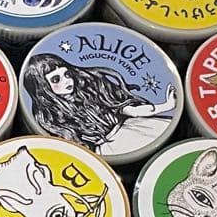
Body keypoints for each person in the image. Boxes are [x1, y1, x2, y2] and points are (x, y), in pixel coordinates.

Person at [22, 53, 176, 157]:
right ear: (42, 88)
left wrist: (166, 106)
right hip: (108, 149)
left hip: (134, 129)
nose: (67, 81)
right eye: (56, 79)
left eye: (67, 74)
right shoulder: (54, 118)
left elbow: (131, 110)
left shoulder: (92, 93)